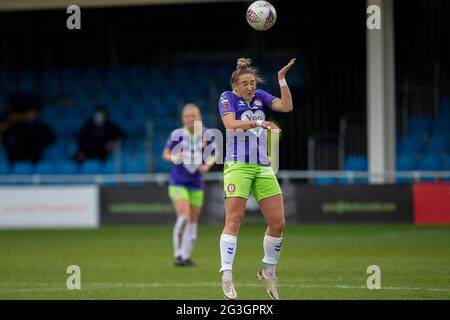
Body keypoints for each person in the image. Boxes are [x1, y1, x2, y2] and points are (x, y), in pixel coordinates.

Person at [218, 57, 296, 300]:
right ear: (235, 85)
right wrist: (259, 122)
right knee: (234, 220)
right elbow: (230, 124)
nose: (250, 87)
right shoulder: (227, 98)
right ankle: (227, 275)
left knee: (278, 223)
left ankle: (268, 272)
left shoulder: (261, 95)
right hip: (238, 165)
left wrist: (281, 79)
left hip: (262, 166)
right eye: (245, 83)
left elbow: (286, 106)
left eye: (252, 83)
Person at [162, 103, 216, 267]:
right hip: (178, 182)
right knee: (184, 216)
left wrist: (207, 165)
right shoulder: (177, 134)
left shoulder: (206, 134)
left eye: (194, 116)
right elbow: (166, 154)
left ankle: (185, 256)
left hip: (196, 183)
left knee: (193, 221)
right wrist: (175, 157)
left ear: (199, 117)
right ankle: (177, 254)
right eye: (188, 116)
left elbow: (214, 154)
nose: (191, 119)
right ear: (183, 119)